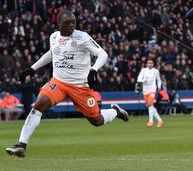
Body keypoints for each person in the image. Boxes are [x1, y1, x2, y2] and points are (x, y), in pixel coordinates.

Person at [5, 10, 129, 158]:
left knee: (97, 120)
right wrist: (32, 68)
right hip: (59, 83)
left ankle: (115, 110)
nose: (71, 25)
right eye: (67, 23)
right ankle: (21, 145)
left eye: (73, 22)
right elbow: (52, 53)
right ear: (59, 24)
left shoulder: (82, 37)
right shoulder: (54, 37)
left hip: (80, 86)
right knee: (38, 105)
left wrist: (93, 70)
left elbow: (103, 54)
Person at [137, 59, 164, 127]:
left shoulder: (156, 71)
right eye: (149, 63)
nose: (150, 64)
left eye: (151, 63)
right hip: (145, 90)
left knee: (150, 104)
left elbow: (158, 80)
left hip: (152, 89)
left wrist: (159, 87)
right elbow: (138, 79)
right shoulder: (143, 70)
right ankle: (160, 120)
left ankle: (150, 121)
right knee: (150, 106)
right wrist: (144, 80)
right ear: (146, 64)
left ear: (153, 64)